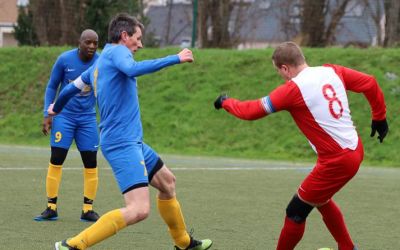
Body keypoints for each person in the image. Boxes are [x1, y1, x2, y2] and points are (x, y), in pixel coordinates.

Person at [48, 13, 212, 250]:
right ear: (124, 36)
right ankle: (73, 245)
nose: (140, 44)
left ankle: (184, 243)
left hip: (130, 142)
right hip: (122, 142)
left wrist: (56, 108)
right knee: (139, 210)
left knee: (167, 183)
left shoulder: (98, 64)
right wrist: (174, 58)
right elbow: (132, 69)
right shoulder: (118, 52)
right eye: (138, 38)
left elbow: (69, 89)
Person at [214, 41, 388, 250]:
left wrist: (226, 102)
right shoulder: (331, 71)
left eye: (279, 71)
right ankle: (347, 247)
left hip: (337, 160)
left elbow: (251, 111)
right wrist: (379, 117)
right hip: (353, 149)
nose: (281, 75)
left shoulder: (292, 90)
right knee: (321, 199)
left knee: (295, 211)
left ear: (285, 68)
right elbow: (369, 82)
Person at [34, 29, 100, 222]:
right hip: (64, 117)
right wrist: (48, 113)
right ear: (79, 42)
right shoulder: (64, 60)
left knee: (91, 162)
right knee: (57, 158)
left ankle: (87, 209)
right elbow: (52, 86)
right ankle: (51, 207)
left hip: (87, 119)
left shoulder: (101, 61)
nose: (92, 46)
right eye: (88, 42)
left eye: (95, 43)